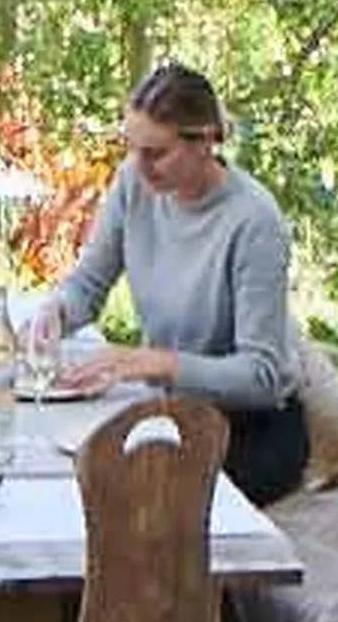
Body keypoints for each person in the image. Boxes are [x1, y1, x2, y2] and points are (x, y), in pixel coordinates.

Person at [32, 63, 308, 504]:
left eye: (156, 153)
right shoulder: (133, 182)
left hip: (250, 430)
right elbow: (88, 283)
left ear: (205, 142)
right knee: (63, 469)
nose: (140, 165)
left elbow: (263, 377)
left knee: (137, 495)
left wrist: (155, 364)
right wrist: (56, 313)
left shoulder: (255, 221)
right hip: (168, 411)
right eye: (132, 148)